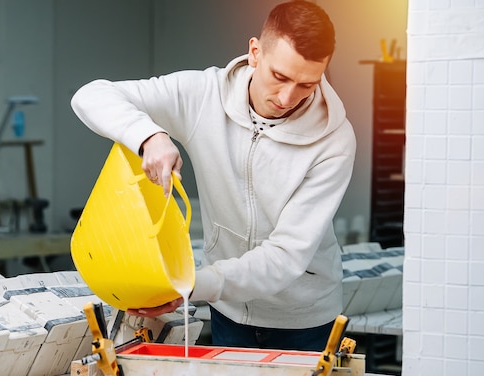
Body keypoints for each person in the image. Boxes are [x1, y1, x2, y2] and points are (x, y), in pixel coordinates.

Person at [71, 0, 356, 352]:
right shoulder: (202, 95)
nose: (287, 97)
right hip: (228, 312)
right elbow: (90, 96)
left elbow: (285, 256)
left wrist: (192, 285)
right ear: (255, 52)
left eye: (306, 85)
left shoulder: (334, 140)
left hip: (304, 318)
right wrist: (149, 136)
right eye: (279, 77)